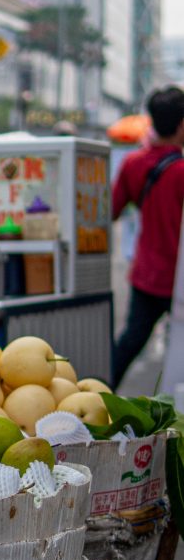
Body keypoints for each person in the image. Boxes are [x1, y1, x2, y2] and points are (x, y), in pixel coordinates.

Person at [110, 86, 184, 389]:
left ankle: (99, 395)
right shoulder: (180, 169)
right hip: (179, 278)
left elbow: (112, 210)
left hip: (147, 274)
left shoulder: (132, 163)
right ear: (181, 125)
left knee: (131, 341)